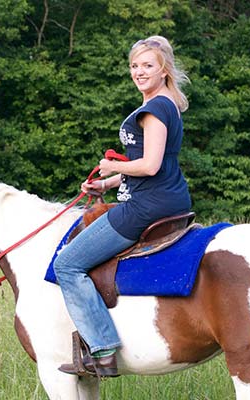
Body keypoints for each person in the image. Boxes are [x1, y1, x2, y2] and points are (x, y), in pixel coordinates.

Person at [55, 35, 193, 377]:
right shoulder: (167, 104)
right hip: (165, 197)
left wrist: (113, 166)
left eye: (148, 65)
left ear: (164, 70)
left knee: (68, 264)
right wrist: (106, 184)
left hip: (147, 206)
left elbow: (149, 166)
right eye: (134, 66)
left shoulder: (155, 108)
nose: (139, 72)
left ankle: (102, 350)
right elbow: (148, 168)